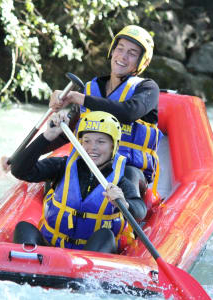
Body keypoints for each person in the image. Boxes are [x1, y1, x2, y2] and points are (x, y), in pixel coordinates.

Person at [10, 110, 147, 253]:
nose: (92, 147)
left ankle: (83, 273)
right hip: (52, 251)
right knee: (23, 227)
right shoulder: (63, 166)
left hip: (91, 256)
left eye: (101, 142)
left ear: (113, 146)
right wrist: (47, 137)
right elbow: (19, 171)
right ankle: (30, 267)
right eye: (87, 141)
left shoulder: (119, 180)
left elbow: (140, 210)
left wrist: (123, 203)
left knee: (105, 235)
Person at [48, 25, 163, 191]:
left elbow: (128, 112)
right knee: (59, 171)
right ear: (112, 50)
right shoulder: (91, 89)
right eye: (120, 48)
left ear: (142, 61)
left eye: (132, 53)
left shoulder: (148, 88)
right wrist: (22, 157)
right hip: (90, 163)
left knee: (129, 175)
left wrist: (77, 97)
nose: (123, 56)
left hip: (128, 171)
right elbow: (65, 133)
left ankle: (131, 212)